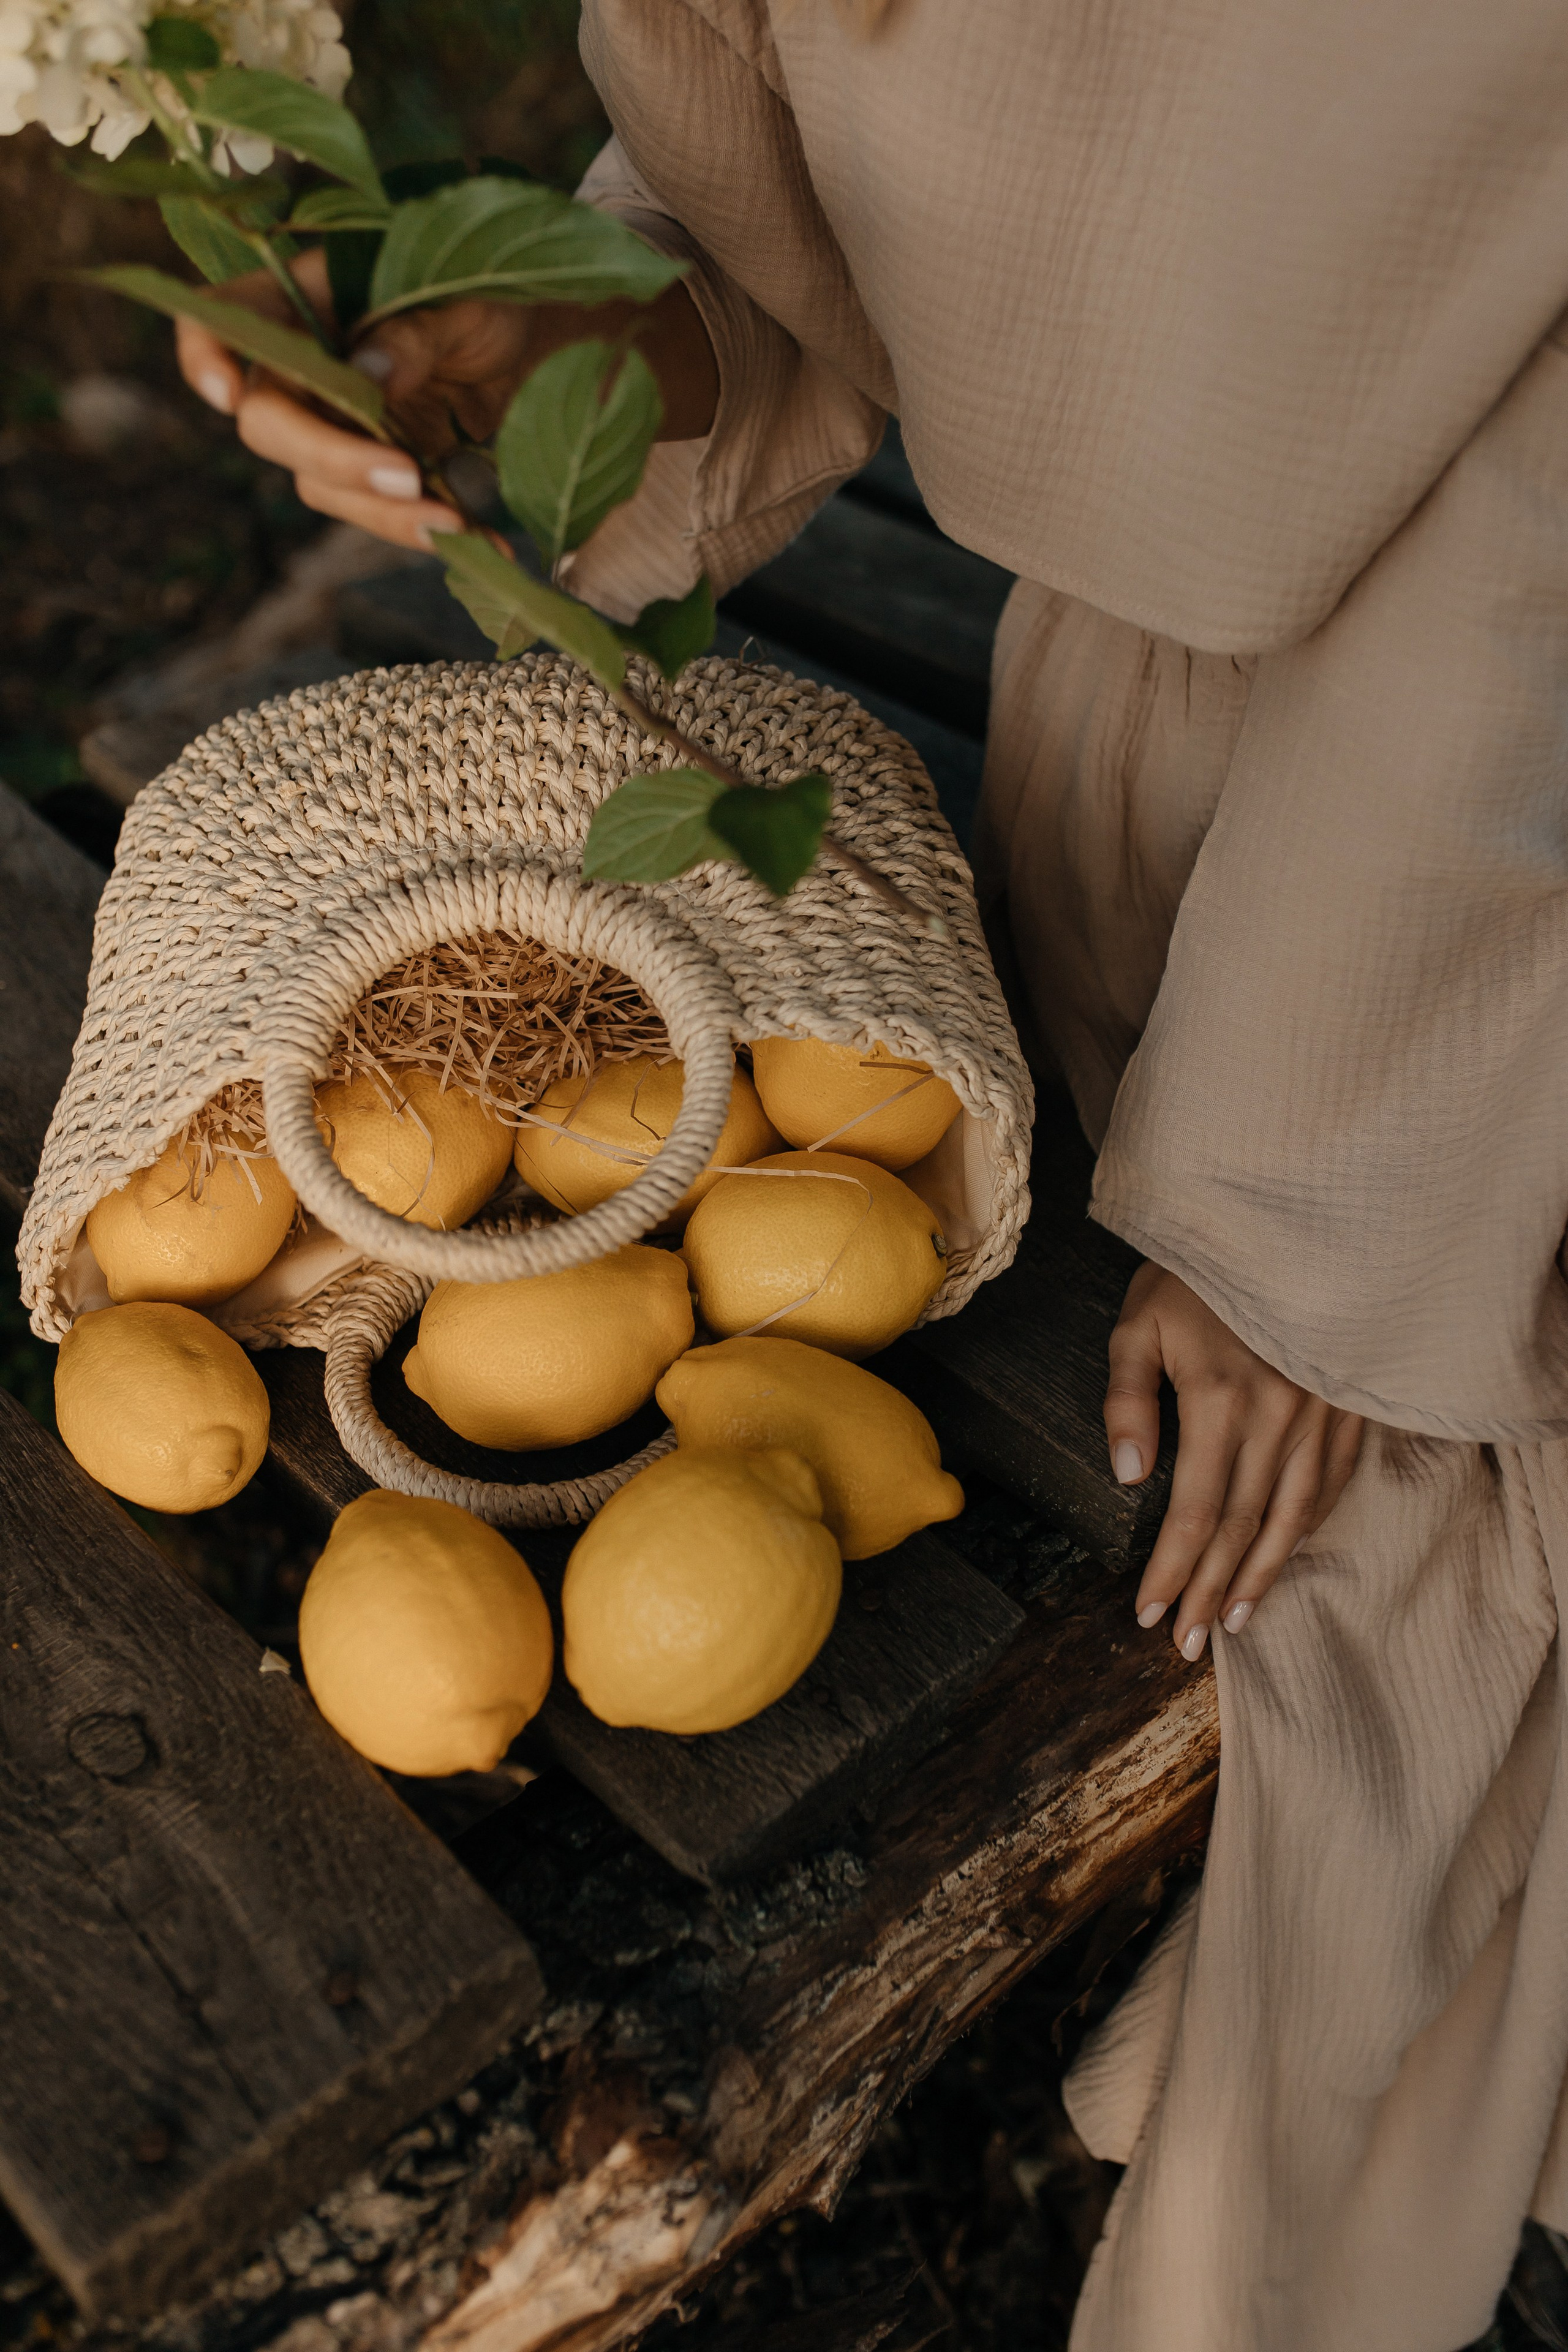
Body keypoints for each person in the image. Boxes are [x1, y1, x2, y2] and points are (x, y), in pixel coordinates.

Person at [176, 5, 1568, 2342]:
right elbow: (778, 248)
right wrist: (540, 336)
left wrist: (1325, 1171)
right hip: (1141, 771)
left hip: (1477, 828)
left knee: (1402, 1529)